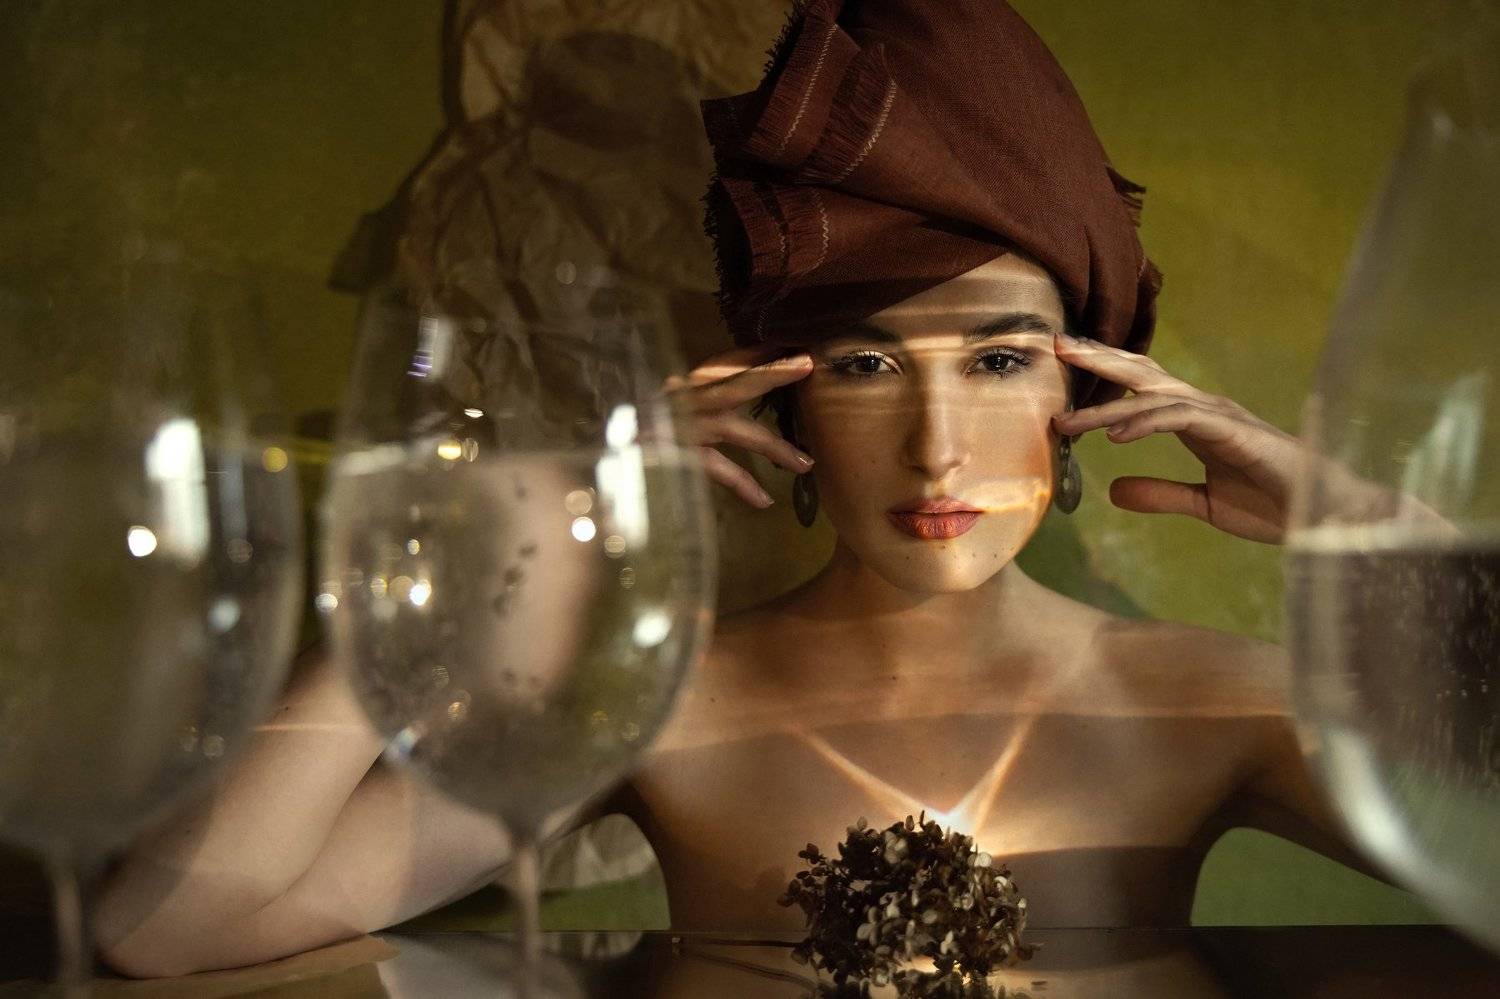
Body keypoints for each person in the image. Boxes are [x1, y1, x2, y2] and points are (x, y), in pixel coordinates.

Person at [94, 0, 1383, 976]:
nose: (937, 448)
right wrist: (488, 544)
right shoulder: (652, 697)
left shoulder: (1212, 700)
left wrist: (1378, 541)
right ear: (783, 397)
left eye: (998, 360)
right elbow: (171, 926)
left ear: (1087, 385)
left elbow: (1472, 856)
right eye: (865, 363)